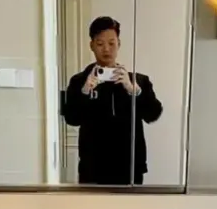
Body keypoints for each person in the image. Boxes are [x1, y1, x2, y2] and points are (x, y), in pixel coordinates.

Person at [63, 16, 162, 185]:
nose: (106, 49)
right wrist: (85, 91)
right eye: (100, 44)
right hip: (92, 166)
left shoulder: (139, 81)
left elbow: (153, 115)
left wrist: (133, 90)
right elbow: (71, 119)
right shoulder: (79, 81)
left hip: (130, 166)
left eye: (111, 43)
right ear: (92, 45)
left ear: (119, 44)